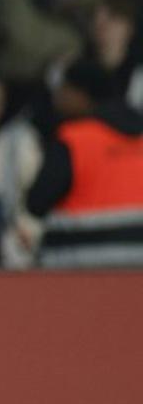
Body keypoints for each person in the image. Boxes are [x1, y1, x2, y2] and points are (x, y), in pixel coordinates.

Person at [26, 62, 143, 267]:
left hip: (79, 261)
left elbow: (37, 203)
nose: (57, 98)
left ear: (81, 94)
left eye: (63, 90)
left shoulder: (75, 139)